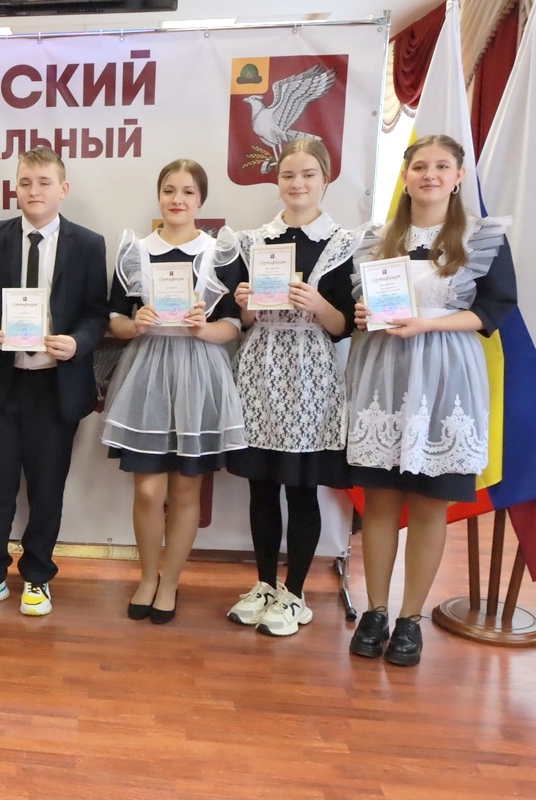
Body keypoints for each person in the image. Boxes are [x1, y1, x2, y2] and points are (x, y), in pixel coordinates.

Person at [346, 135, 515, 666]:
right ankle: (375, 611)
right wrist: (362, 314)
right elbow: (362, 304)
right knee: (379, 500)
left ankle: (409, 619)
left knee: (429, 503)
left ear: (459, 176)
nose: (430, 175)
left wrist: (427, 324)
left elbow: (492, 311)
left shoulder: (481, 236)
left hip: (446, 376)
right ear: (406, 174)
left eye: (442, 166)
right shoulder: (376, 238)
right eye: (420, 166)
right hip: (384, 374)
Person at [0, 146, 108, 617]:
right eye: (25, 182)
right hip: (3, 382)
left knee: (47, 489)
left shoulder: (88, 244)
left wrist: (78, 343)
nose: (34, 191)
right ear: (15, 188)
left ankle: (38, 576)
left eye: (44, 182)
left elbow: (96, 313)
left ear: (63, 189)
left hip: (55, 386)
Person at [101, 159, 245, 625]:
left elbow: (234, 324)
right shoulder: (137, 250)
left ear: (201, 199)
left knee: (185, 490)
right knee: (148, 490)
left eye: (187, 191)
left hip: (199, 370)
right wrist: (135, 324)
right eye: (169, 190)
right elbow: (115, 320)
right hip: (147, 371)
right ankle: (147, 576)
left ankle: (170, 582)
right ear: (159, 195)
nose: (177, 199)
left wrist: (205, 329)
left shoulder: (219, 251)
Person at [227, 139, 360, 637]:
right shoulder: (254, 241)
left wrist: (318, 304)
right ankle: (264, 584)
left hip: (310, 373)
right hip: (260, 369)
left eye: (307, 174)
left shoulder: (343, 243)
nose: (297, 183)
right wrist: (246, 304)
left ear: (325, 179)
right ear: (277, 180)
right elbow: (244, 321)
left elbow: (343, 326)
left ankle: (295, 593)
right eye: (288, 175)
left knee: (302, 488)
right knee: (261, 486)